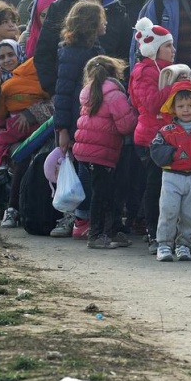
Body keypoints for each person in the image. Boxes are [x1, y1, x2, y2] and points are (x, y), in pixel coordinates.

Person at [51, 1, 107, 239]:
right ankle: (81, 218)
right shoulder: (73, 53)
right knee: (82, 170)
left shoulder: (94, 49)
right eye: (102, 19)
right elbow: (62, 93)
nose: (106, 23)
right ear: (91, 24)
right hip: (77, 121)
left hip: (86, 120)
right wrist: (63, 128)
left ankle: (83, 217)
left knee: (86, 168)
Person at [72, 55, 137, 249]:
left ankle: (112, 230)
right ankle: (97, 234)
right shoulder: (115, 94)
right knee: (103, 194)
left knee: (102, 191)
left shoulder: (88, 93)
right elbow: (126, 125)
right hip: (103, 153)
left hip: (85, 151)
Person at [128, 17, 179, 253]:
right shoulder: (143, 72)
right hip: (150, 138)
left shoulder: (167, 71)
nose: (173, 49)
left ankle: (169, 233)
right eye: (168, 45)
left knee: (169, 188)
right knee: (154, 187)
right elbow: (150, 103)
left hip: (167, 136)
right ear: (154, 48)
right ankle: (153, 233)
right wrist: (174, 88)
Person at [148, 79, 191, 262]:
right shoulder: (166, 130)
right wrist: (173, 154)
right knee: (168, 211)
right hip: (172, 176)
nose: (186, 109)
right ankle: (164, 244)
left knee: (190, 214)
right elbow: (155, 149)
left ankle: (185, 244)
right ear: (173, 107)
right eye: (181, 105)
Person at [0, 40, 52, 227]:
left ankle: (22, 209)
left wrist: (29, 113)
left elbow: (51, 102)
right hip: (17, 133)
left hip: (38, 131)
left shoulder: (39, 78)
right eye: (1, 57)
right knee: (21, 159)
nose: (7, 60)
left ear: (20, 55)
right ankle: (12, 208)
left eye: (11, 55)